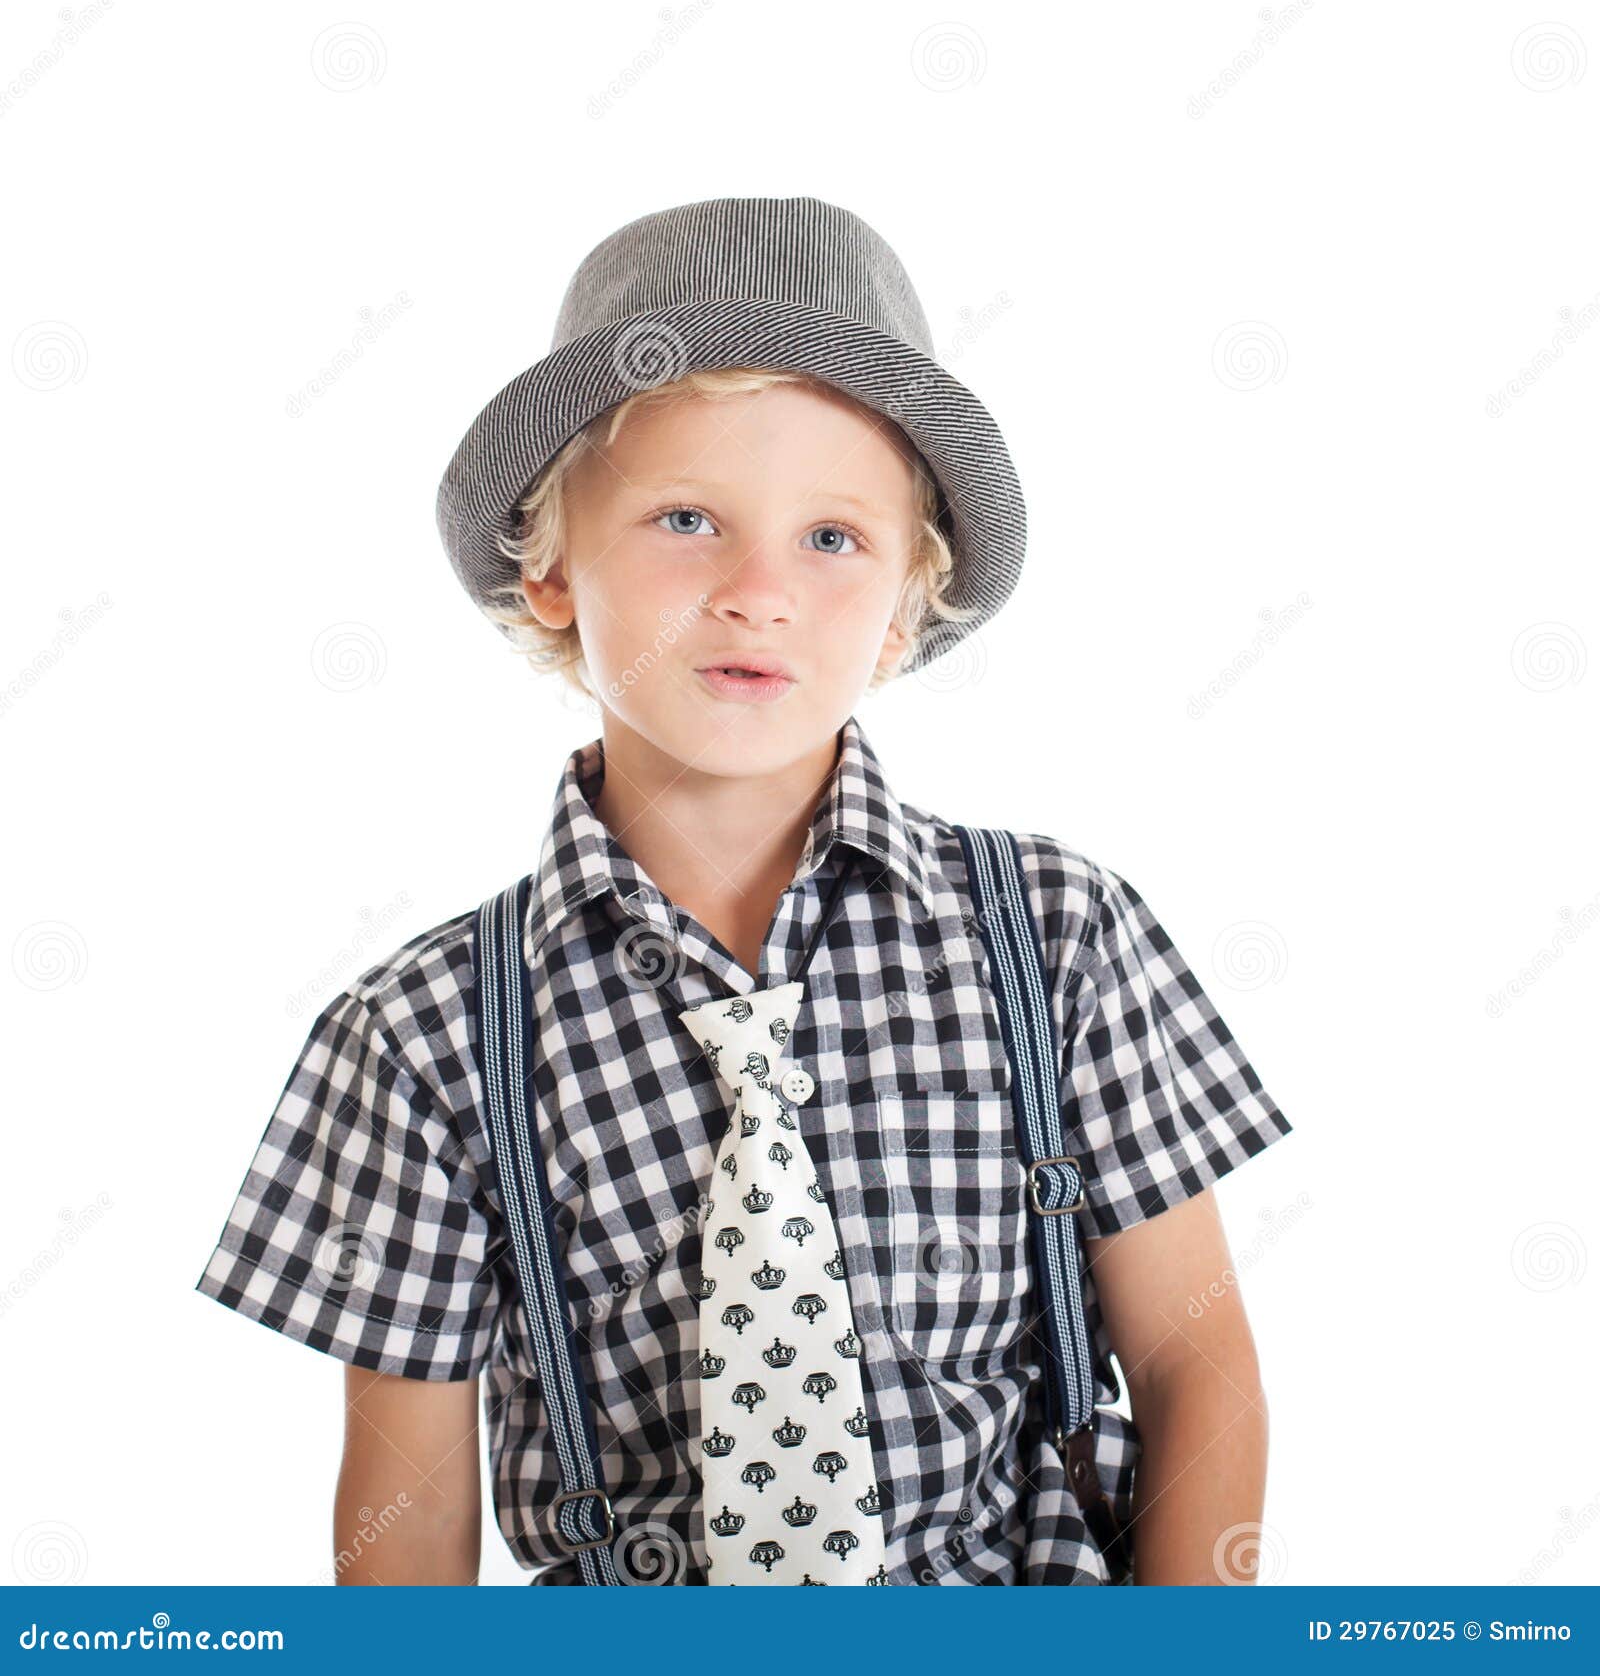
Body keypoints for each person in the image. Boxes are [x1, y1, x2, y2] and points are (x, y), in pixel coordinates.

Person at [195, 196, 1293, 1585]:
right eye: (687, 518)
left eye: (832, 538)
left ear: (907, 598)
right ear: (548, 567)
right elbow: (407, 1527)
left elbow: (1197, 1363)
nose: (758, 591)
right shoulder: (421, 1037)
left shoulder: (1059, 935)